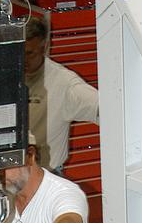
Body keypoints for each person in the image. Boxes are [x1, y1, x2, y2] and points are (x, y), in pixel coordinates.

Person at [24, 17, 99, 174]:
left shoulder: (64, 83)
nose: (22, 59)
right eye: (16, 52)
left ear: (44, 47)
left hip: (46, 176)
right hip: (9, 176)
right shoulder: (4, 73)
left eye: (29, 53)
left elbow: (108, 110)